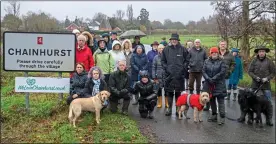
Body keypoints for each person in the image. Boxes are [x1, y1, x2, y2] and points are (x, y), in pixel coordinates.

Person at [161, 33, 189, 116]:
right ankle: (169, 108)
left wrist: (183, 68)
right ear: (170, 40)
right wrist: (167, 68)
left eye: (175, 39)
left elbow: (187, 60)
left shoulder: (183, 49)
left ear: (177, 40)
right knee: (169, 92)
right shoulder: (166, 49)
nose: (174, 41)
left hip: (179, 75)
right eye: (172, 39)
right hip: (169, 75)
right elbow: (162, 61)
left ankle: (177, 109)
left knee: (178, 93)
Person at [248, 46, 275, 126]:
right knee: (251, 102)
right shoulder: (254, 61)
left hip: (266, 85)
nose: (261, 53)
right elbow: (250, 71)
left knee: (268, 103)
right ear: (258, 53)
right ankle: (250, 118)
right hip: (255, 85)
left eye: (263, 51)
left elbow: (273, 73)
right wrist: (256, 77)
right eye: (260, 51)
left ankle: (269, 119)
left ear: (265, 52)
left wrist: (267, 78)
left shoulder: (269, 62)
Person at [202, 47, 227, 125]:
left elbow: (222, 72)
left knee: (220, 101)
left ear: (218, 53)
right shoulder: (206, 61)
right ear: (211, 53)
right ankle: (214, 115)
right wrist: (208, 78)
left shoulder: (222, 61)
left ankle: (222, 117)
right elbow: (203, 70)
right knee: (211, 99)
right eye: (213, 53)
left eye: (215, 53)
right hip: (209, 83)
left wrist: (214, 79)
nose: (214, 54)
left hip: (219, 84)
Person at [152, 44, 168, 108]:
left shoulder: (167, 57)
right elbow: (153, 67)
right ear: (158, 49)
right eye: (160, 48)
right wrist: (154, 77)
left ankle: (167, 103)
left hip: (166, 76)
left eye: (162, 48)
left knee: (167, 90)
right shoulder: (155, 57)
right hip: (158, 76)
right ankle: (160, 103)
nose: (161, 49)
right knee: (159, 90)